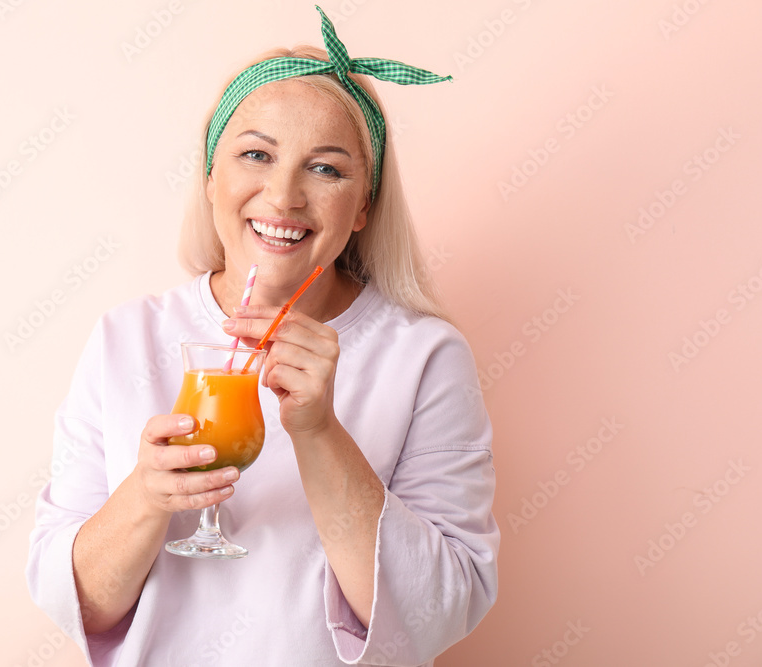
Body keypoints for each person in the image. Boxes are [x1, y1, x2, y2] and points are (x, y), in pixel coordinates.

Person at [27, 7, 499, 666]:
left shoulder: (426, 358)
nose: (283, 196)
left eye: (326, 169)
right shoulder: (125, 338)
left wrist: (320, 434)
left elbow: (441, 613)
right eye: (256, 154)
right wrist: (145, 496)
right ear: (211, 177)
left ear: (364, 205)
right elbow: (72, 599)